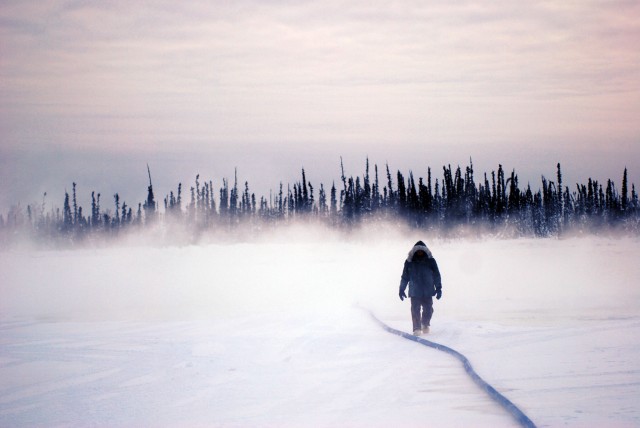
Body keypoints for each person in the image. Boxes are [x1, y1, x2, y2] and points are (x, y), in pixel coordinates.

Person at [399, 241, 442, 335]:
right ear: (414, 252)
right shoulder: (409, 262)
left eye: (421, 251)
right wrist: (401, 289)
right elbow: (405, 277)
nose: (419, 253)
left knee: (429, 309)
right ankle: (417, 328)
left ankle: (425, 324)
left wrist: (438, 288)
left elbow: (436, 275)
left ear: (425, 251)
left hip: (428, 290)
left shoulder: (431, 261)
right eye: (418, 251)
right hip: (415, 291)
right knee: (415, 310)